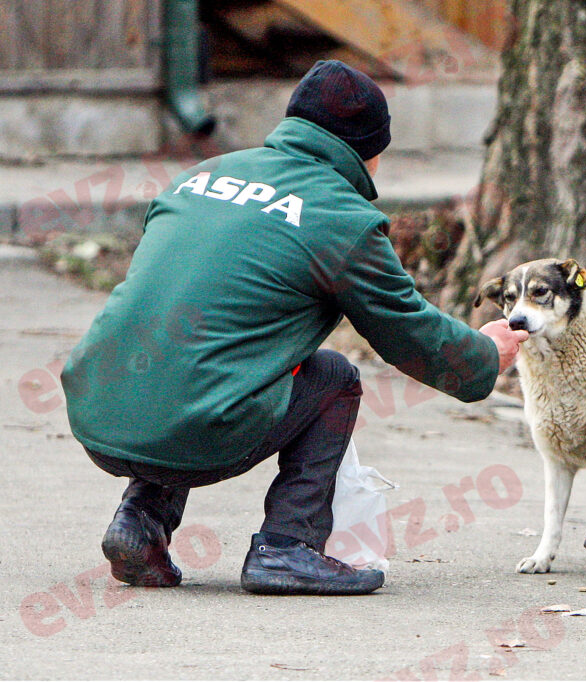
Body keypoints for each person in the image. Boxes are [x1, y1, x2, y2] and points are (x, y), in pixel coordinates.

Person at [60, 60, 528, 596]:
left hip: (97, 406)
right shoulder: (342, 219)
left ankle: (139, 521)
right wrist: (483, 354)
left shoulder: (200, 177)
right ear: (368, 151)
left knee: (201, 353)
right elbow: (408, 331)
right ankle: (286, 546)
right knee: (332, 378)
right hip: (196, 430)